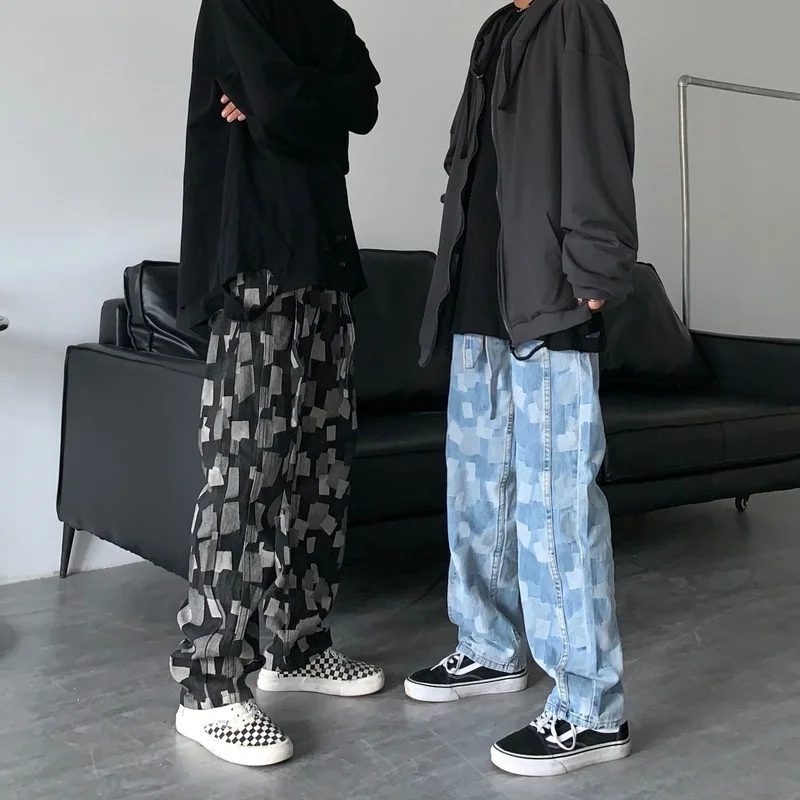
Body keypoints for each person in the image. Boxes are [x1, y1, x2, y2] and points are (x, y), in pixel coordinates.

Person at [407, 0, 638, 778]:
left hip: (550, 298)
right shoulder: (498, 27)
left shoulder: (577, 17)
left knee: (554, 505)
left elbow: (599, 141)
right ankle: (490, 646)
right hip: (480, 299)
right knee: (478, 487)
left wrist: (599, 263)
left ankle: (591, 708)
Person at [169, 0, 382, 768]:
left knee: (322, 469)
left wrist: (283, 102)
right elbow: (294, 101)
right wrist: (297, 103)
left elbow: (362, 103)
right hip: (255, 268)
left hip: (326, 265)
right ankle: (208, 687)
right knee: (245, 476)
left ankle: (297, 645)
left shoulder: (327, 14)